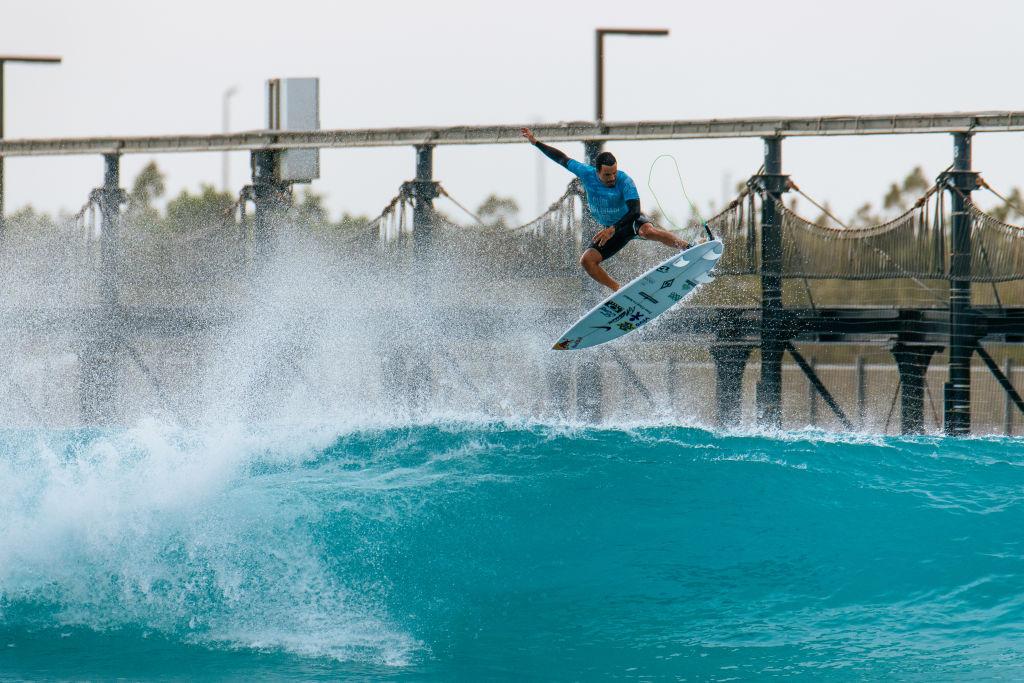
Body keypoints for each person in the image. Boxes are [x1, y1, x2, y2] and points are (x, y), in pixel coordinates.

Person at [522, 127, 691, 292]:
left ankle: (687, 247)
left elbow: (635, 210)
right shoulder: (585, 173)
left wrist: (613, 229)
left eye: (614, 173)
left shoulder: (625, 181)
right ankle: (619, 290)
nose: (612, 178)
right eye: (607, 175)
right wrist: (536, 142)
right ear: (597, 171)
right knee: (587, 261)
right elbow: (561, 158)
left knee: (647, 230)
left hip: (628, 222)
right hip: (611, 230)